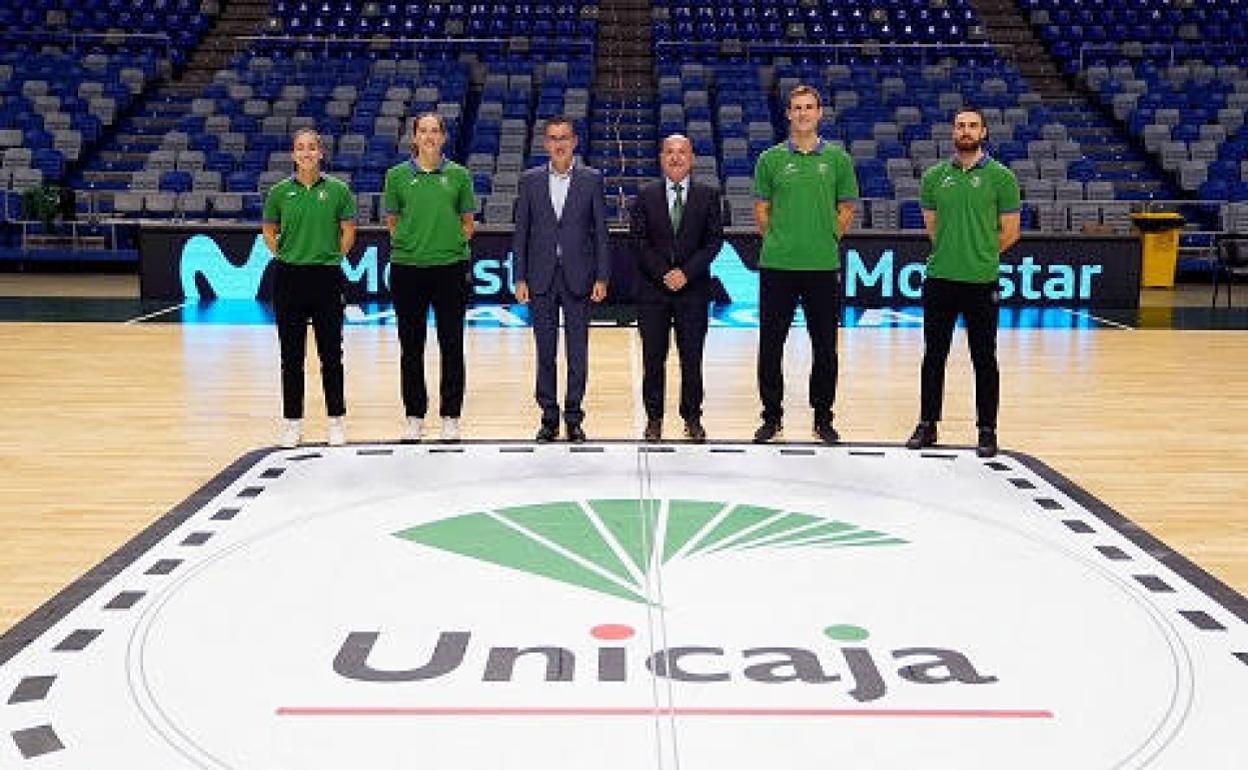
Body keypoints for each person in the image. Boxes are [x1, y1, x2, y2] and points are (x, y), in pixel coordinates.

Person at [905, 107, 1021, 458]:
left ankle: (987, 429)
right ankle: (927, 424)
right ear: (952, 132)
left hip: (981, 281)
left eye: (972, 126)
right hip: (940, 280)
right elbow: (932, 229)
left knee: (984, 359)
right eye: (960, 126)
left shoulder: (1002, 178)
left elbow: (1011, 232)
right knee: (933, 357)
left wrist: (981, 255)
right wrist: (955, 253)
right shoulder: (933, 177)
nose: (966, 131)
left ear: (984, 132)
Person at [751, 84, 859, 445]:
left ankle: (823, 417)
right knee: (771, 345)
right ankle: (771, 416)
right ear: (788, 114)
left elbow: (846, 209)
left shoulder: (838, 160)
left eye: (809, 107)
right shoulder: (770, 159)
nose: (802, 113)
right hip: (777, 266)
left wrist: (826, 237)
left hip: (822, 266)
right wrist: (782, 240)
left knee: (825, 347)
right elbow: (761, 212)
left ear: (819, 113)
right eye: (796, 107)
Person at [511, 115, 610, 443]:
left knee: (577, 351)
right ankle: (548, 416)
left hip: (579, 276)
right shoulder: (529, 180)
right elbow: (521, 232)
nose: (559, 143)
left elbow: (600, 233)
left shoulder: (592, 179)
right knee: (545, 350)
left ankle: (574, 415)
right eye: (553, 137)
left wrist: (602, 274)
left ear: (574, 141)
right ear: (545, 143)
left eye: (564, 137)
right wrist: (519, 276)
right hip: (539, 277)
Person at [383, 112, 477, 443]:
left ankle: (450, 416)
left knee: (452, 345)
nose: (429, 136)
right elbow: (393, 221)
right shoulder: (395, 176)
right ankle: (414, 417)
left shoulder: (459, 176)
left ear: (443, 137)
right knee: (411, 347)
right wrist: (414, 245)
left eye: (435, 131)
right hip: (408, 269)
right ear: (414, 137)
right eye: (423, 131)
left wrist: (447, 245)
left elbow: (468, 222)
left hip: (450, 269)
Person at [261, 127, 357, 448]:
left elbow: (348, 232)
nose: (306, 153)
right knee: (291, 357)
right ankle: (292, 423)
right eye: (300, 148)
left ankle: (336, 421)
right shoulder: (278, 193)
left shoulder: (339, 190)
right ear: (293, 154)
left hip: (326, 278)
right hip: (289, 278)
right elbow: (269, 230)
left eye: (311, 147)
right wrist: (286, 255)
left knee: (332, 354)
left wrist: (330, 258)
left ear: (320, 153)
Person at [628, 134, 723, 442]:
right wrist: (665, 273)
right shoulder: (645, 195)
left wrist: (686, 273)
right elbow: (638, 242)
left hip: (693, 290)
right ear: (661, 157)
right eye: (669, 151)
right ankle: (654, 419)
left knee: (691, 359)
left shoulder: (708, 195)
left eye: (682, 152)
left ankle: (692, 418)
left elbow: (713, 242)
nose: (676, 157)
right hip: (653, 291)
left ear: (691, 157)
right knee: (653, 359)